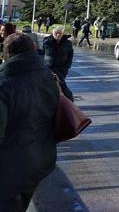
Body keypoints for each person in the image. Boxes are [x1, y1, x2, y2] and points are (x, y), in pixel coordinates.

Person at [0, 32, 60, 212]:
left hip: (10, 163)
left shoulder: (4, 84)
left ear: (7, 54)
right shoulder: (50, 76)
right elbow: (66, 104)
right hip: (42, 157)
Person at [43, 26, 74, 101]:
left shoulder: (67, 43)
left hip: (62, 68)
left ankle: (67, 101)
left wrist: (67, 66)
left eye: (59, 33)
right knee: (48, 85)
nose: (58, 35)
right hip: (49, 67)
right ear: (53, 33)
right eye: (56, 33)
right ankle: (49, 100)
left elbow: (70, 55)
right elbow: (42, 53)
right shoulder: (47, 41)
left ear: (62, 34)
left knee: (61, 85)